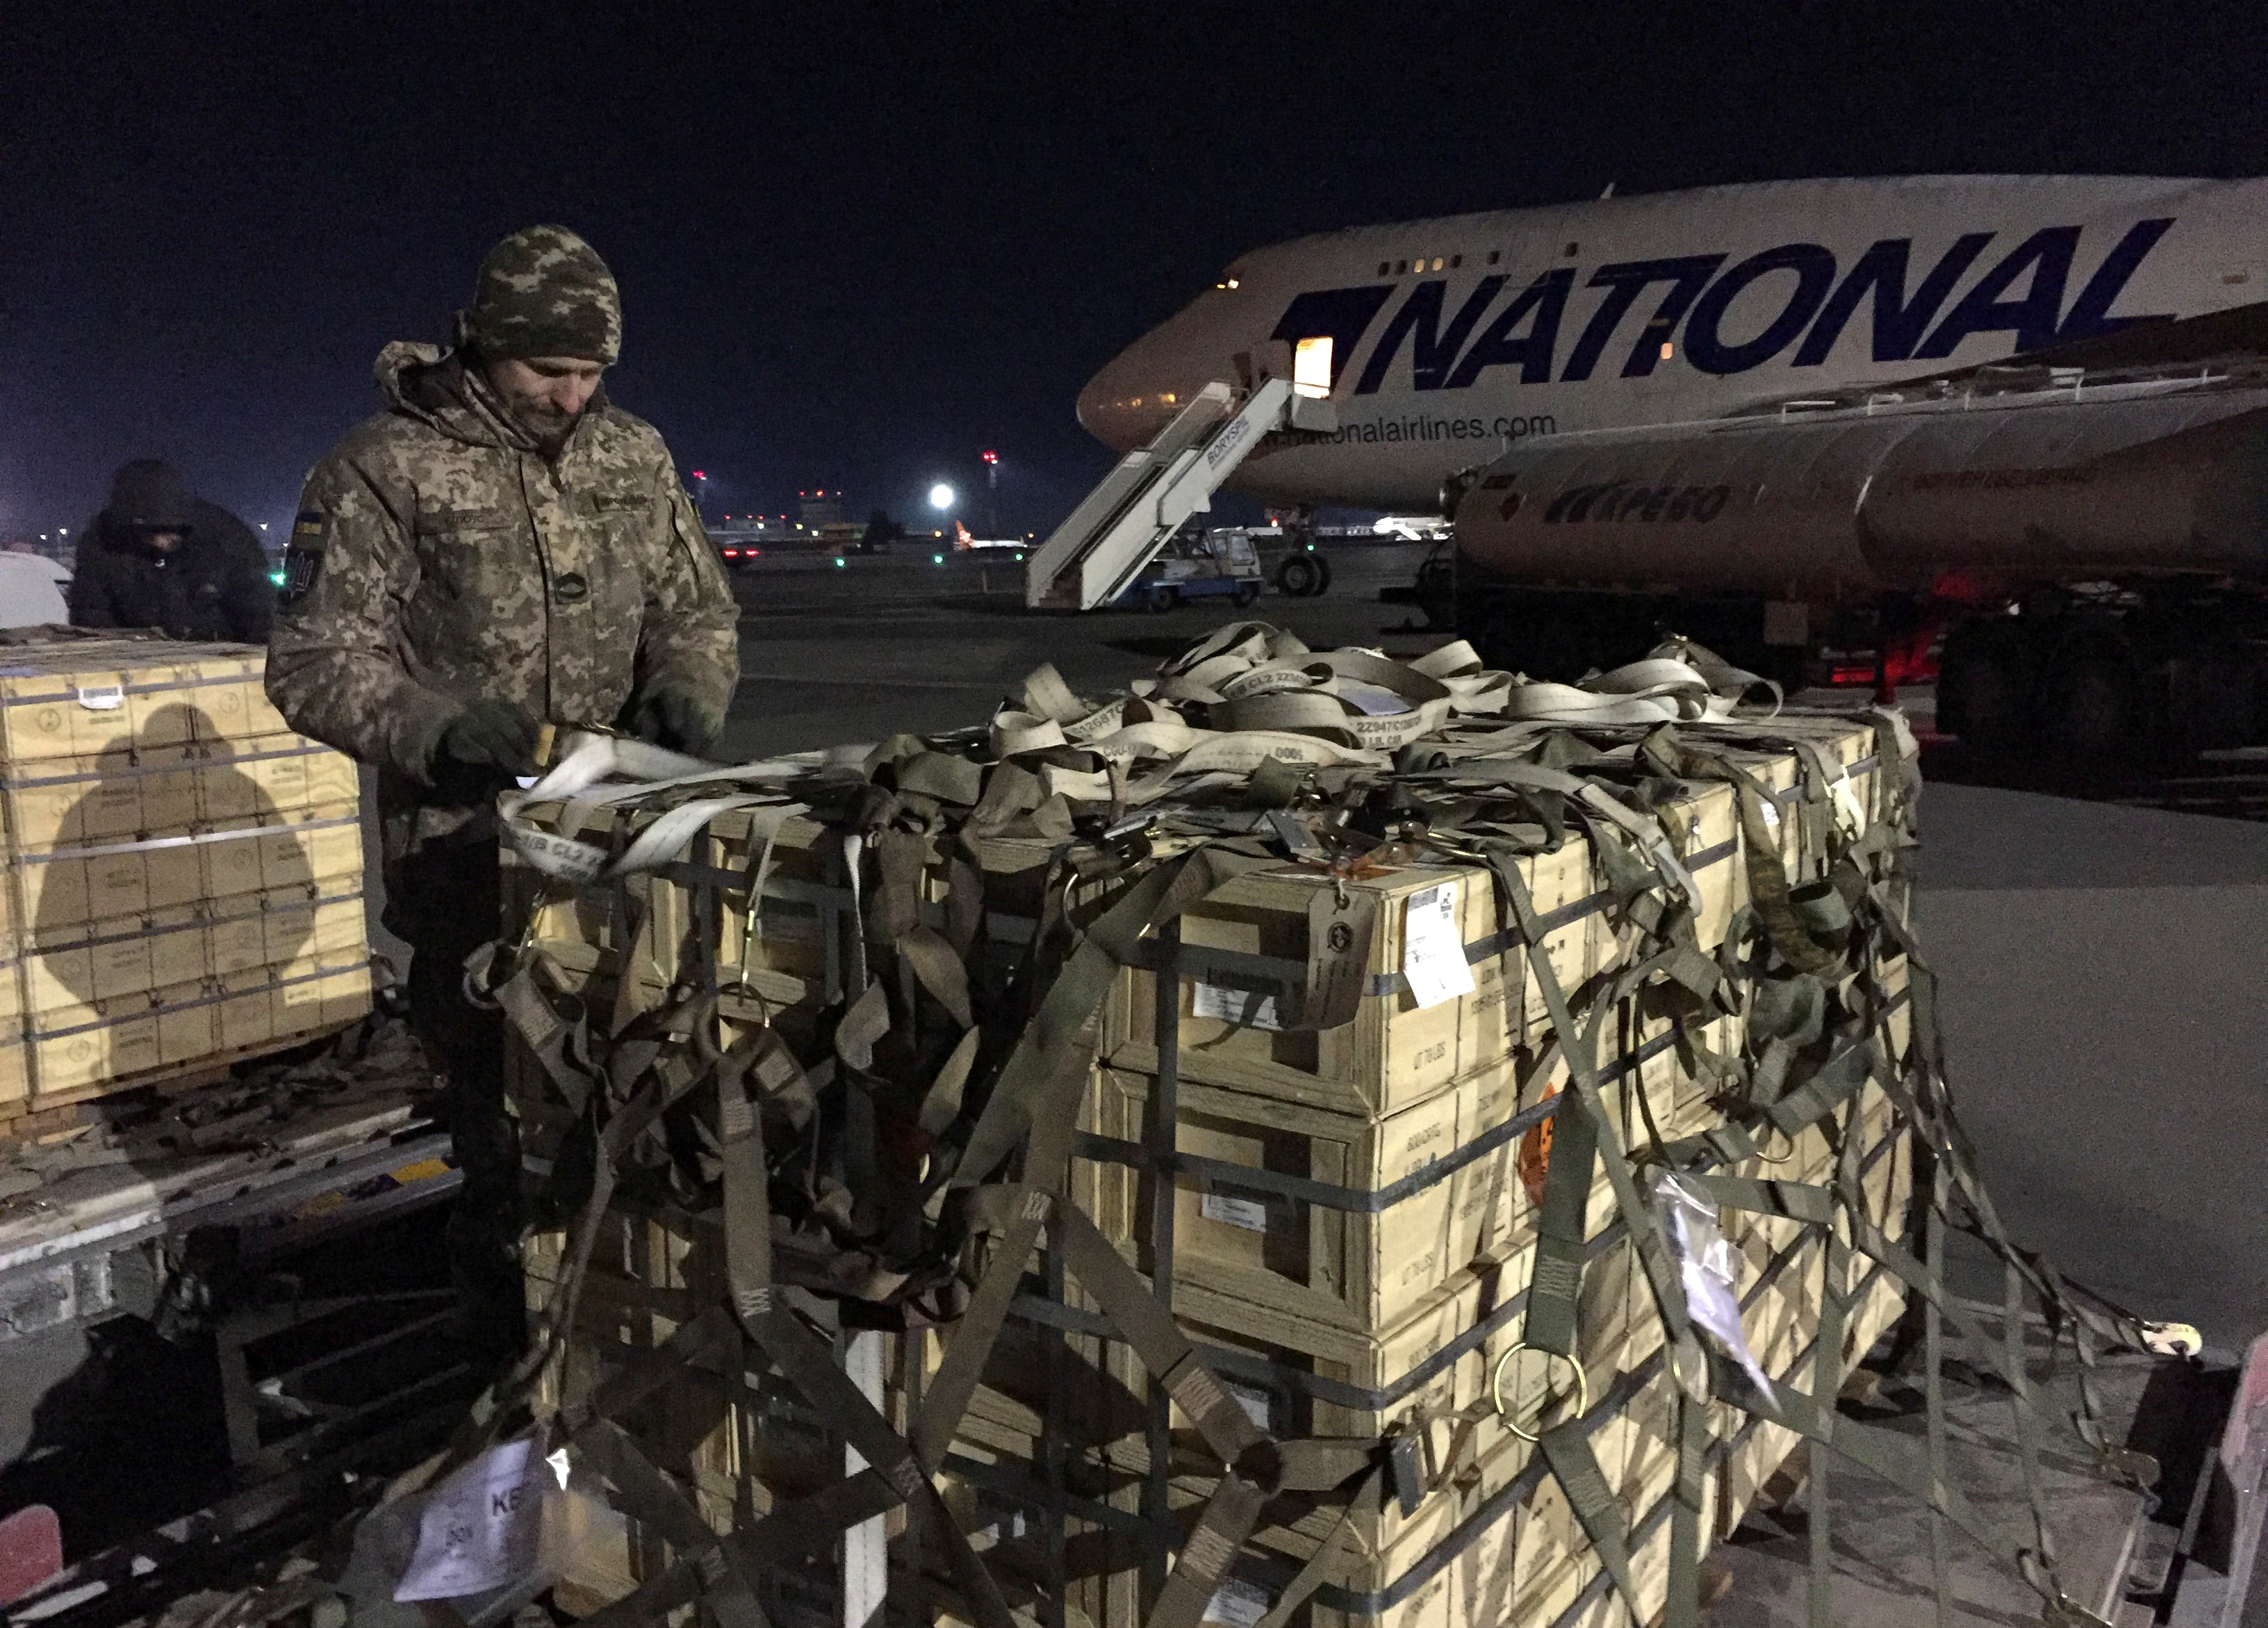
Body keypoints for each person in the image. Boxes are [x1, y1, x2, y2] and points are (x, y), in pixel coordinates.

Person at [265, 225, 741, 1365]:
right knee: (508, 1151)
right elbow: (314, 660)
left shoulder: (630, 453)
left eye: (590, 375)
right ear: (481, 346)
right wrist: (439, 727)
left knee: (651, 1129)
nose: (571, 397)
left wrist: (687, 693)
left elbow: (698, 611)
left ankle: (636, 1372)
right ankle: (510, 1388)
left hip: (627, 855)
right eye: (546, 373)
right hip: (469, 871)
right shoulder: (385, 466)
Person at [68, 460, 275, 642]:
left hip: (220, 653)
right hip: (139, 657)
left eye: (171, 529)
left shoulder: (225, 538)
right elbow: (91, 614)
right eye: (150, 532)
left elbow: (261, 610)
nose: (162, 541)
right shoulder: (103, 541)